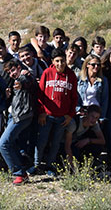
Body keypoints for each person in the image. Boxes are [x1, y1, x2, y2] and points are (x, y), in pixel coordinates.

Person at [33, 48, 78, 176]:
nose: (60, 64)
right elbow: (40, 94)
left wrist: (70, 115)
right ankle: (37, 165)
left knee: (55, 143)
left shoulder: (71, 75)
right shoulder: (47, 73)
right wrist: (41, 112)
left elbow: (74, 98)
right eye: (57, 61)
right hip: (47, 116)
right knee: (41, 141)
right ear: (53, 61)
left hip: (62, 118)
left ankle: (50, 166)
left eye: (62, 61)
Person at [0, 59, 36, 185]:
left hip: (22, 117)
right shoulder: (15, 81)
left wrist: (22, 81)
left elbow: (28, 82)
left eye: (13, 70)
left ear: (19, 67)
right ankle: (23, 167)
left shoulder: (24, 76)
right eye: (9, 72)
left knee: (3, 144)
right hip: (14, 116)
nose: (12, 74)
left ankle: (19, 172)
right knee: (11, 143)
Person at [77, 55, 108, 120]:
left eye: (98, 65)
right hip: (82, 111)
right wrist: (77, 109)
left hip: (96, 111)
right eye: (93, 64)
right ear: (87, 65)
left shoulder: (103, 80)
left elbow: (104, 99)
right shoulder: (79, 78)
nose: (96, 67)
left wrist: (102, 116)